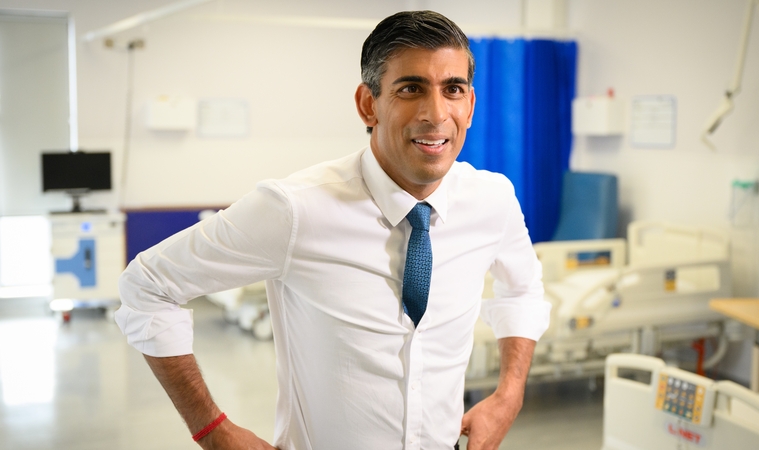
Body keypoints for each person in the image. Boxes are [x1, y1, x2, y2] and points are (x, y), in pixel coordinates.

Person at [116, 10, 550, 450]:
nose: (436, 114)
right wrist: (213, 432)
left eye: (452, 90)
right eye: (410, 88)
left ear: (470, 105)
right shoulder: (295, 209)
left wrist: (508, 395)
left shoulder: (493, 200)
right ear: (368, 104)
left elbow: (523, 290)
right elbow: (147, 284)